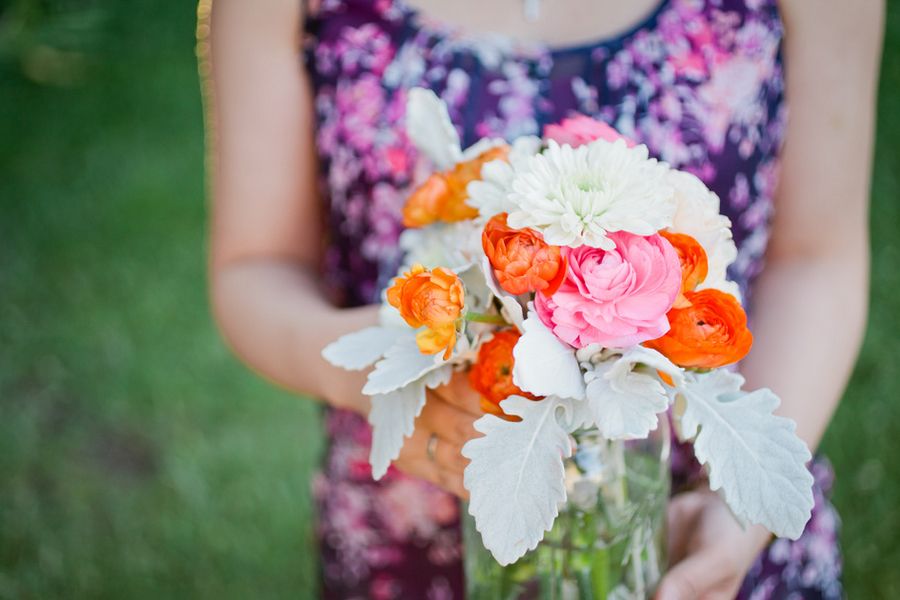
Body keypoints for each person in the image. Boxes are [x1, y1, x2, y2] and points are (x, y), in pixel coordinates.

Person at [204, 0, 882, 597]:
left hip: (708, 530)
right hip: (414, 511)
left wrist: (739, 506)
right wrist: (365, 366)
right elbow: (255, 266)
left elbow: (816, 258)